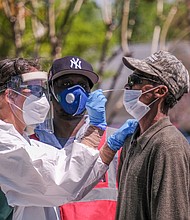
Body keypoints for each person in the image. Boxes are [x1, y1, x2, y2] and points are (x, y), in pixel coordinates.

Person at [0, 57, 136, 220]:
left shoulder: (24, 142)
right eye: (35, 90)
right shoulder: (5, 145)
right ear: (10, 95)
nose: (41, 97)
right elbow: (61, 180)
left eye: (42, 90)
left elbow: (75, 182)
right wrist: (95, 130)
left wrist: (108, 148)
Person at [112, 50, 190, 219]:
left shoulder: (169, 145)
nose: (128, 87)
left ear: (160, 91)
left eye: (135, 81)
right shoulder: (132, 140)